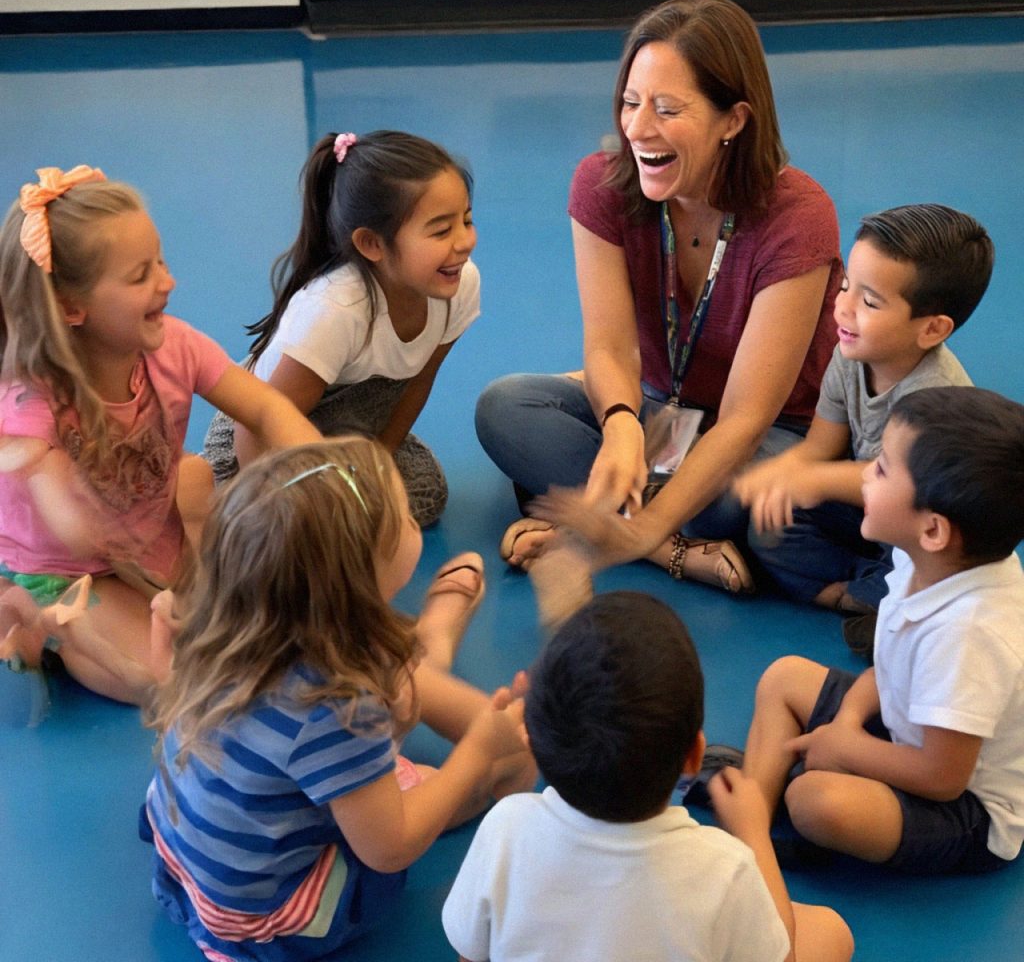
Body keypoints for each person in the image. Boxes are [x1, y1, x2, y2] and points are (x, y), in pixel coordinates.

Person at [476, 0, 842, 593]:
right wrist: (619, 423)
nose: (638, 128)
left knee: (737, 497)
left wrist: (639, 531)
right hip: (657, 405)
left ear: (734, 120)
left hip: (769, 432)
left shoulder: (798, 216)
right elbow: (611, 347)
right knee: (505, 407)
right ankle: (669, 544)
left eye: (668, 109)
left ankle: (617, 521)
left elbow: (747, 420)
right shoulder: (600, 185)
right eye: (630, 101)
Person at [143, 436, 536, 962]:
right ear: (355, 579)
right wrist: (478, 752)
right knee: (448, 783)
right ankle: (435, 652)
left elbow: (167, 692)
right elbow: (390, 846)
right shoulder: (337, 702)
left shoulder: (228, 629)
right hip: (268, 920)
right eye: (404, 519)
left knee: (392, 698)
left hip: (184, 872)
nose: (413, 523)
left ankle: (431, 646)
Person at [0, 166, 319, 704]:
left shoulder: (175, 347)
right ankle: (39, 619)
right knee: (169, 681)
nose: (166, 283)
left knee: (242, 617)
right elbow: (69, 523)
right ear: (71, 308)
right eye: (140, 275)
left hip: (146, 540)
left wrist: (326, 468)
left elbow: (264, 407)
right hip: (71, 570)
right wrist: (77, 513)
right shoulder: (33, 397)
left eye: (162, 262)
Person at [442, 591, 853, 962]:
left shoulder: (506, 827)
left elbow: (471, 955)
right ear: (694, 757)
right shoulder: (725, 868)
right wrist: (754, 833)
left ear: (532, 738)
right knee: (831, 933)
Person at [739, 387, 1024, 874]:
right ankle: (750, 819)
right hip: (907, 733)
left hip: (964, 807)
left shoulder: (970, 632)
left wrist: (846, 747)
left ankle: (765, 825)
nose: (865, 473)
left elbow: (943, 776)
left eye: (883, 468)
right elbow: (890, 667)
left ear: (933, 529)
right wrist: (847, 721)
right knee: (784, 676)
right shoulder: (927, 561)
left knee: (816, 800)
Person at [733, 204, 991, 649]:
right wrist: (775, 477)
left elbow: (898, 487)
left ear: (932, 329)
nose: (843, 308)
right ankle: (862, 595)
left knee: (938, 567)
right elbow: (819, 446)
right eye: (846, 286)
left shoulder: (934, 397)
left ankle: (866, 597)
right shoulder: (849, 353)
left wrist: (810, 478)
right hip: (866, 509)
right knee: (767, 522)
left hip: (915, 521)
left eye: (869, 302)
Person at [203, 130, 479, 526]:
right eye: (440, 230)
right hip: (259, 441)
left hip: (355, 428)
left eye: (466, 220)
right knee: (316, 526)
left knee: (424, 494)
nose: (463, 242)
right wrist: (274, 509)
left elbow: (419, 379)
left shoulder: (459, 285)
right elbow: (256, 429)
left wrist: (381, 461)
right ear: (372, 245)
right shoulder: (336, 310)